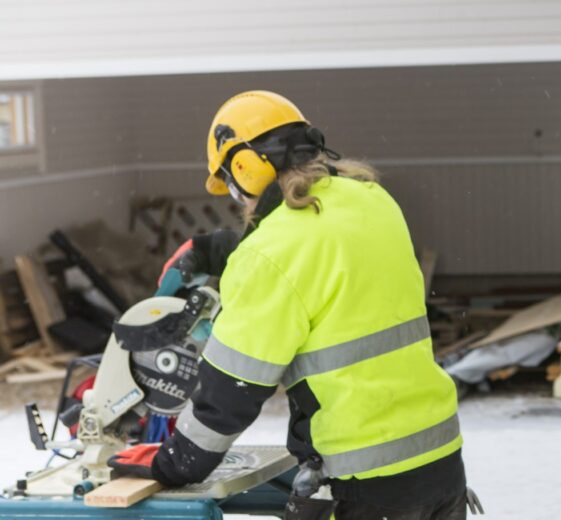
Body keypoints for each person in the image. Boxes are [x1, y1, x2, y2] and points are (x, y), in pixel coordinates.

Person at [108, 91, 481, 519]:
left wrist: (172, 463)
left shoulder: (269, 254)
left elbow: (229, 395)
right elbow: (321, 250)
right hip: (439, 465)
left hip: (363, 485)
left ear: (246, 169)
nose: (239, 203)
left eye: (232, 187)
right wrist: (219, 249)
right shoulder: (373, 201)